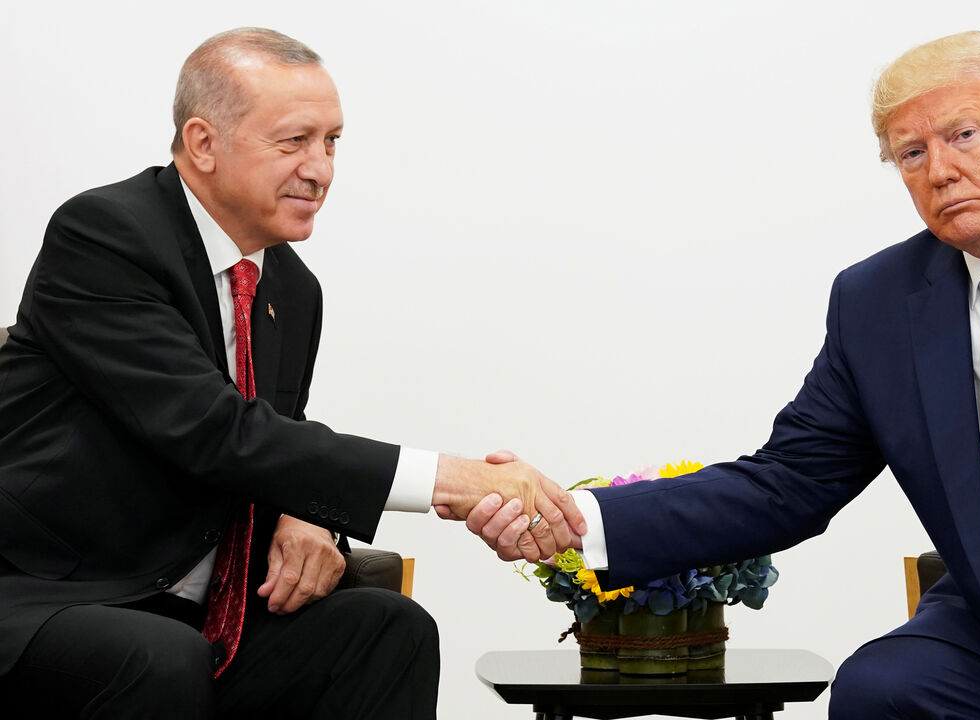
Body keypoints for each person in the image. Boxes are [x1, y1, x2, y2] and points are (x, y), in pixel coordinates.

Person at [469, 31, 980, 719]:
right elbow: (784, 483)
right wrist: (575, 519)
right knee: (880, 691)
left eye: (963, 136)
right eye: (911, 153)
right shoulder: (880, 302)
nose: (938, 170)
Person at [0, 27, 583, 719]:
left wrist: (305, 511)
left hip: (198, 613)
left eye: (332, 142)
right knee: (159, 654)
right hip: (49, 593)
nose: (321, 169)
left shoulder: (291, 289)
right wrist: (454, 479)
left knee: (387, 631)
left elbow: (278, 437)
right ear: (204, 142)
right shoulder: (105, 236)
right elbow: (214, 431)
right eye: (294, 141)